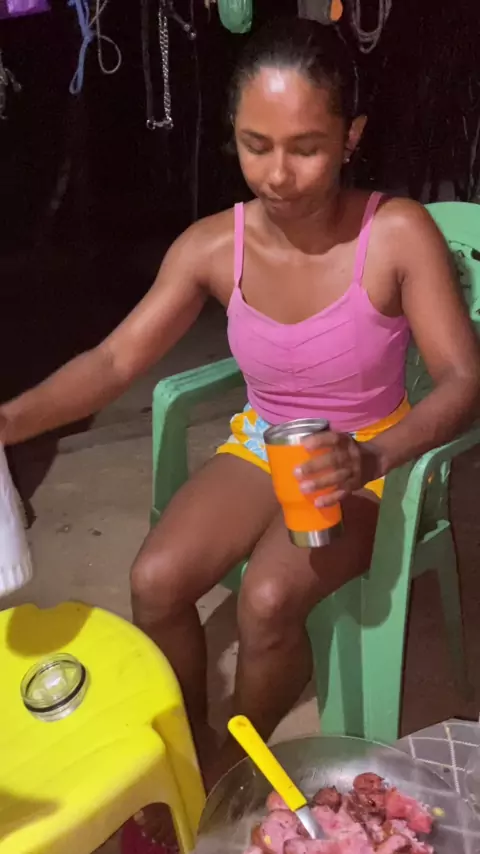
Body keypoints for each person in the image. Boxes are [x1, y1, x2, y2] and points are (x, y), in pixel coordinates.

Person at [1, 16, 480, 848]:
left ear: (352, 135)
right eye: (257, 146)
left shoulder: (396, 233)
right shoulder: (212, 245)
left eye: (307, 147)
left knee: (266, 599)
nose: (279, 175)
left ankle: (241, 749)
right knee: (155, 580)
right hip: (263, 444)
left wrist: (371, 453)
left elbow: (463, 380)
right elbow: (114, 361)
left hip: (368, 460)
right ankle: (190, 737)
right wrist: (7, 420)